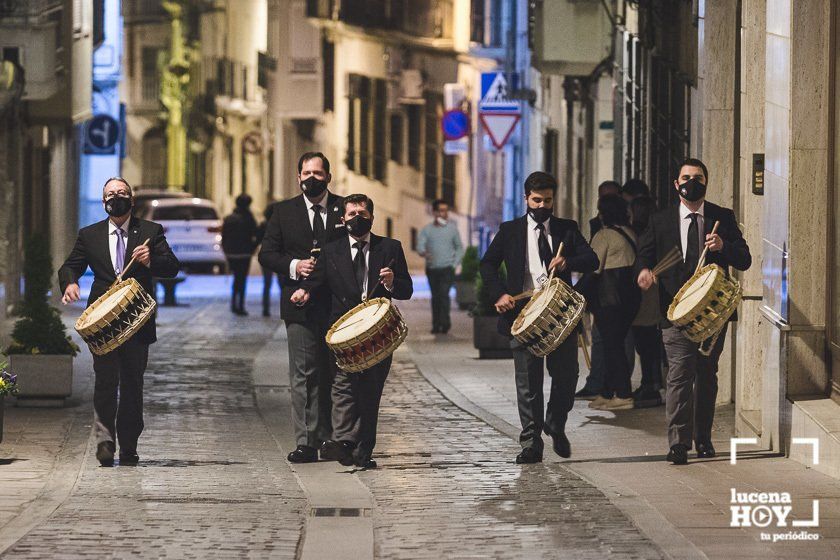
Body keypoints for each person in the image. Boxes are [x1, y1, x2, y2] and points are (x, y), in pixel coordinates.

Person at [635, 158, 751, 465]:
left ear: (706, 182)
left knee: (706, 375)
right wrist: (644, 272)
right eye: (686, 177)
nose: (692, 182)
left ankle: (703, 438)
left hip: (712, 313)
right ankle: (678, 442)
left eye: (698, 177)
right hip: (674, 312)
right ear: (676, 184)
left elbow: (744, 259)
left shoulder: (721, 217)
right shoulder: (659, 220)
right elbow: (643, 256)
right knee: (679, 374)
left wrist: (723, 247)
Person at [59, 177, 180, 467]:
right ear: (103, 202)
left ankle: (128, 446)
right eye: (111, 194)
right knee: (104, 382)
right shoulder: (90, 235)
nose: (117, 197)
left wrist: (151, 260)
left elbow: (173, 267)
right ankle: (104, 441)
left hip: (137, 323)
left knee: (132, 385)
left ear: (132, 200)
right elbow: (70, 265)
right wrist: (69, 283)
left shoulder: (150, 232)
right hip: (103, 324)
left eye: (122, 193)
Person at [480, 172, 599, 463]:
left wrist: (568, 261)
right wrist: (499, 295)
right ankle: (531, 443)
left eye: (547, 200)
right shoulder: (510, 230)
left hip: (559, 316)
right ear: (526, 199)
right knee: (528, 383)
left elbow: (592, 260)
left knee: (567, 376)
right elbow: (488, 264)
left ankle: (556, 421)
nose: (542, 205)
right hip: (523, 316)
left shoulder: (566, 229)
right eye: (537, 200)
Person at [291, 194, 413, 469]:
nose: (357, 217)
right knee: (343, 387)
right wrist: (303, 292)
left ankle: (363, 450)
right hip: (344, 334)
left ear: (372, 216)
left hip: (378, 335)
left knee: (370, 393)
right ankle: (345, 441)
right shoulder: (331, 249)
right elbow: (316, 280)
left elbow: (406, 290)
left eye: (362, 212)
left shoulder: (390, 248)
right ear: (342, 218)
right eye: (352, 213)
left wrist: (393, 283)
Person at [258, 152, 345, 463]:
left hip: (338, 306)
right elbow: (267, 254)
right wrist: (295, 266)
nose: (311, 178)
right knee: (305, 374)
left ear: (328, 177)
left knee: (336, 373)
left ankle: (334, 438)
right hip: (299, 306)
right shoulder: (284, 212)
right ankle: (307, 441)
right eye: (306, 172)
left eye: (318, 173)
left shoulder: (342, 209)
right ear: (298, 177)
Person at [585, 194, 641, 411]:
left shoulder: (604, 235)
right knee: (614, 343)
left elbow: (593, 268)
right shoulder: (629, 232)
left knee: (612, 346)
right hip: (630, 297)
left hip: (609, 297)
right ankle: (607, 392)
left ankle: (623, 393)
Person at [629, 195, 663, 408]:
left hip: (648, 295)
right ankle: (650, 383)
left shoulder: (647, 234)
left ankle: (651, 385)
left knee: (647, 343)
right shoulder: (646, 232)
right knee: (647, 343)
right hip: (648, 294)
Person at [416, 199, 464, 334]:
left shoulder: (452, 230)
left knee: (444, 295)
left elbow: (460, 248)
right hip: (432, 269)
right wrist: (423, 252)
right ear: (435, 212)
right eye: (441, 210)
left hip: (447, 268)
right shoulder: (427, 230)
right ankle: (436, 324)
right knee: (435, 296)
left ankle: (445, 324)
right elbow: (420, 245)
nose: (444, 214)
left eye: (446, 210)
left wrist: (454, 264)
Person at [222, 194, 259, 316]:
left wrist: (226, 251)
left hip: (232, 254)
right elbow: (257, 235)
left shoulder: (229, 218)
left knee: (236, 279)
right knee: (242, 280)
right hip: (244, 254)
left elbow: (224, 236)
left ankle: (234, 304)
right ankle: (240, 305)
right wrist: (252, 248)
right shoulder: (249, 219)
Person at [257, 202, 282, 317]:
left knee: (267, 284)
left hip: (267, 256)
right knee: (283, 285)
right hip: (280, 256)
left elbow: (258, 239)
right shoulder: (281, 224)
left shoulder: (263, 225)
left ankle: (265, 309)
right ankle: (284, 307)